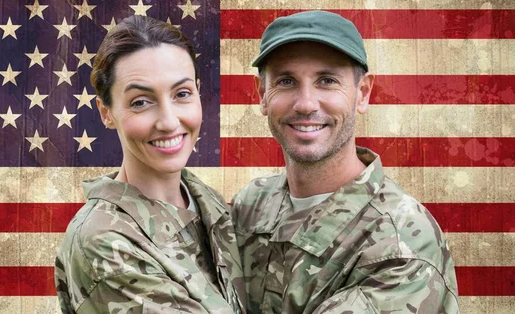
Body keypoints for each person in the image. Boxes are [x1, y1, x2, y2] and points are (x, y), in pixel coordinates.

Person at [231, 10, 460, 313]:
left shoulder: (399, 241)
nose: (306, 103)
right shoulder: (251, 206)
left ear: (362, 93)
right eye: (286, 81)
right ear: (262, 95)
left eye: (327, 80)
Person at [54, 16, 245, 313]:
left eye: (182, 94)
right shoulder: (103, 242)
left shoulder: (209, 203)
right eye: (141, 101)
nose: (169, 122)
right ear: (106, 112)